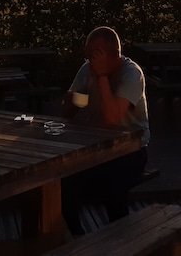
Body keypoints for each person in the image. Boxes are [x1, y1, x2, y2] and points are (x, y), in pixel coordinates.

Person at [60, 26, 150, 236]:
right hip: (97, 147)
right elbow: (70, 110)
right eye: (89, 56)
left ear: (114, 54)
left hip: (130, 149)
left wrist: (101, 77)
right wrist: (71, 101)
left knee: (113, 185)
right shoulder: (87, 70)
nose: (90, 61)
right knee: (64, 180)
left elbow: (112, 118)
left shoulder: (131, 74)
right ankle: (76, 236)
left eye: (95, 55)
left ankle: (122, 239)